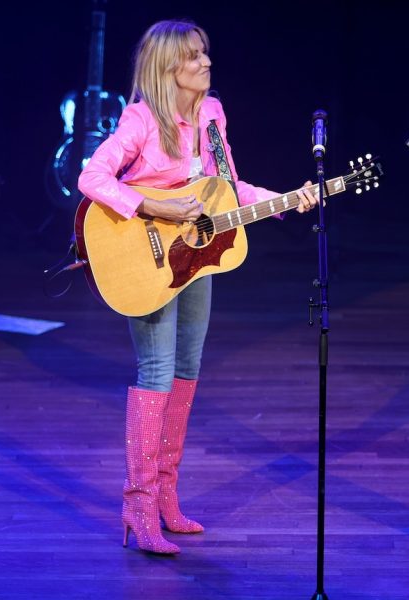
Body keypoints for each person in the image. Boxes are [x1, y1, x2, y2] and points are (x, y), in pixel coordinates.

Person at [77, 20, 317, 555]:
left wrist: (287, 197)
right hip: (146, 259)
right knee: (156, 372)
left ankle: (166, 499)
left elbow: (227, 190)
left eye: (206, 53)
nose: (206, 63)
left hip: (196, 258)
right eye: (193, 57)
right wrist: (156, 204)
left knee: (187, 372)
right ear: (168, 69)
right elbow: (92, 178)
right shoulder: (140, 120)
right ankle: (137, 508)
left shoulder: (212, 115)